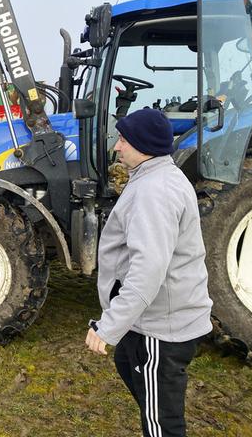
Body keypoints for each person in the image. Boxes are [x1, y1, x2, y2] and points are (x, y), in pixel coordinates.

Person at [85, 108, 212, 437]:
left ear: (142, 145)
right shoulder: (152, 178)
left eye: (123, 140)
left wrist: (108, 327)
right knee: (127, 363)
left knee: (161, 425)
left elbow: (148, 271)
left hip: (162, 330)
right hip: (150, 320)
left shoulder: (154, 192)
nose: (116, 147)